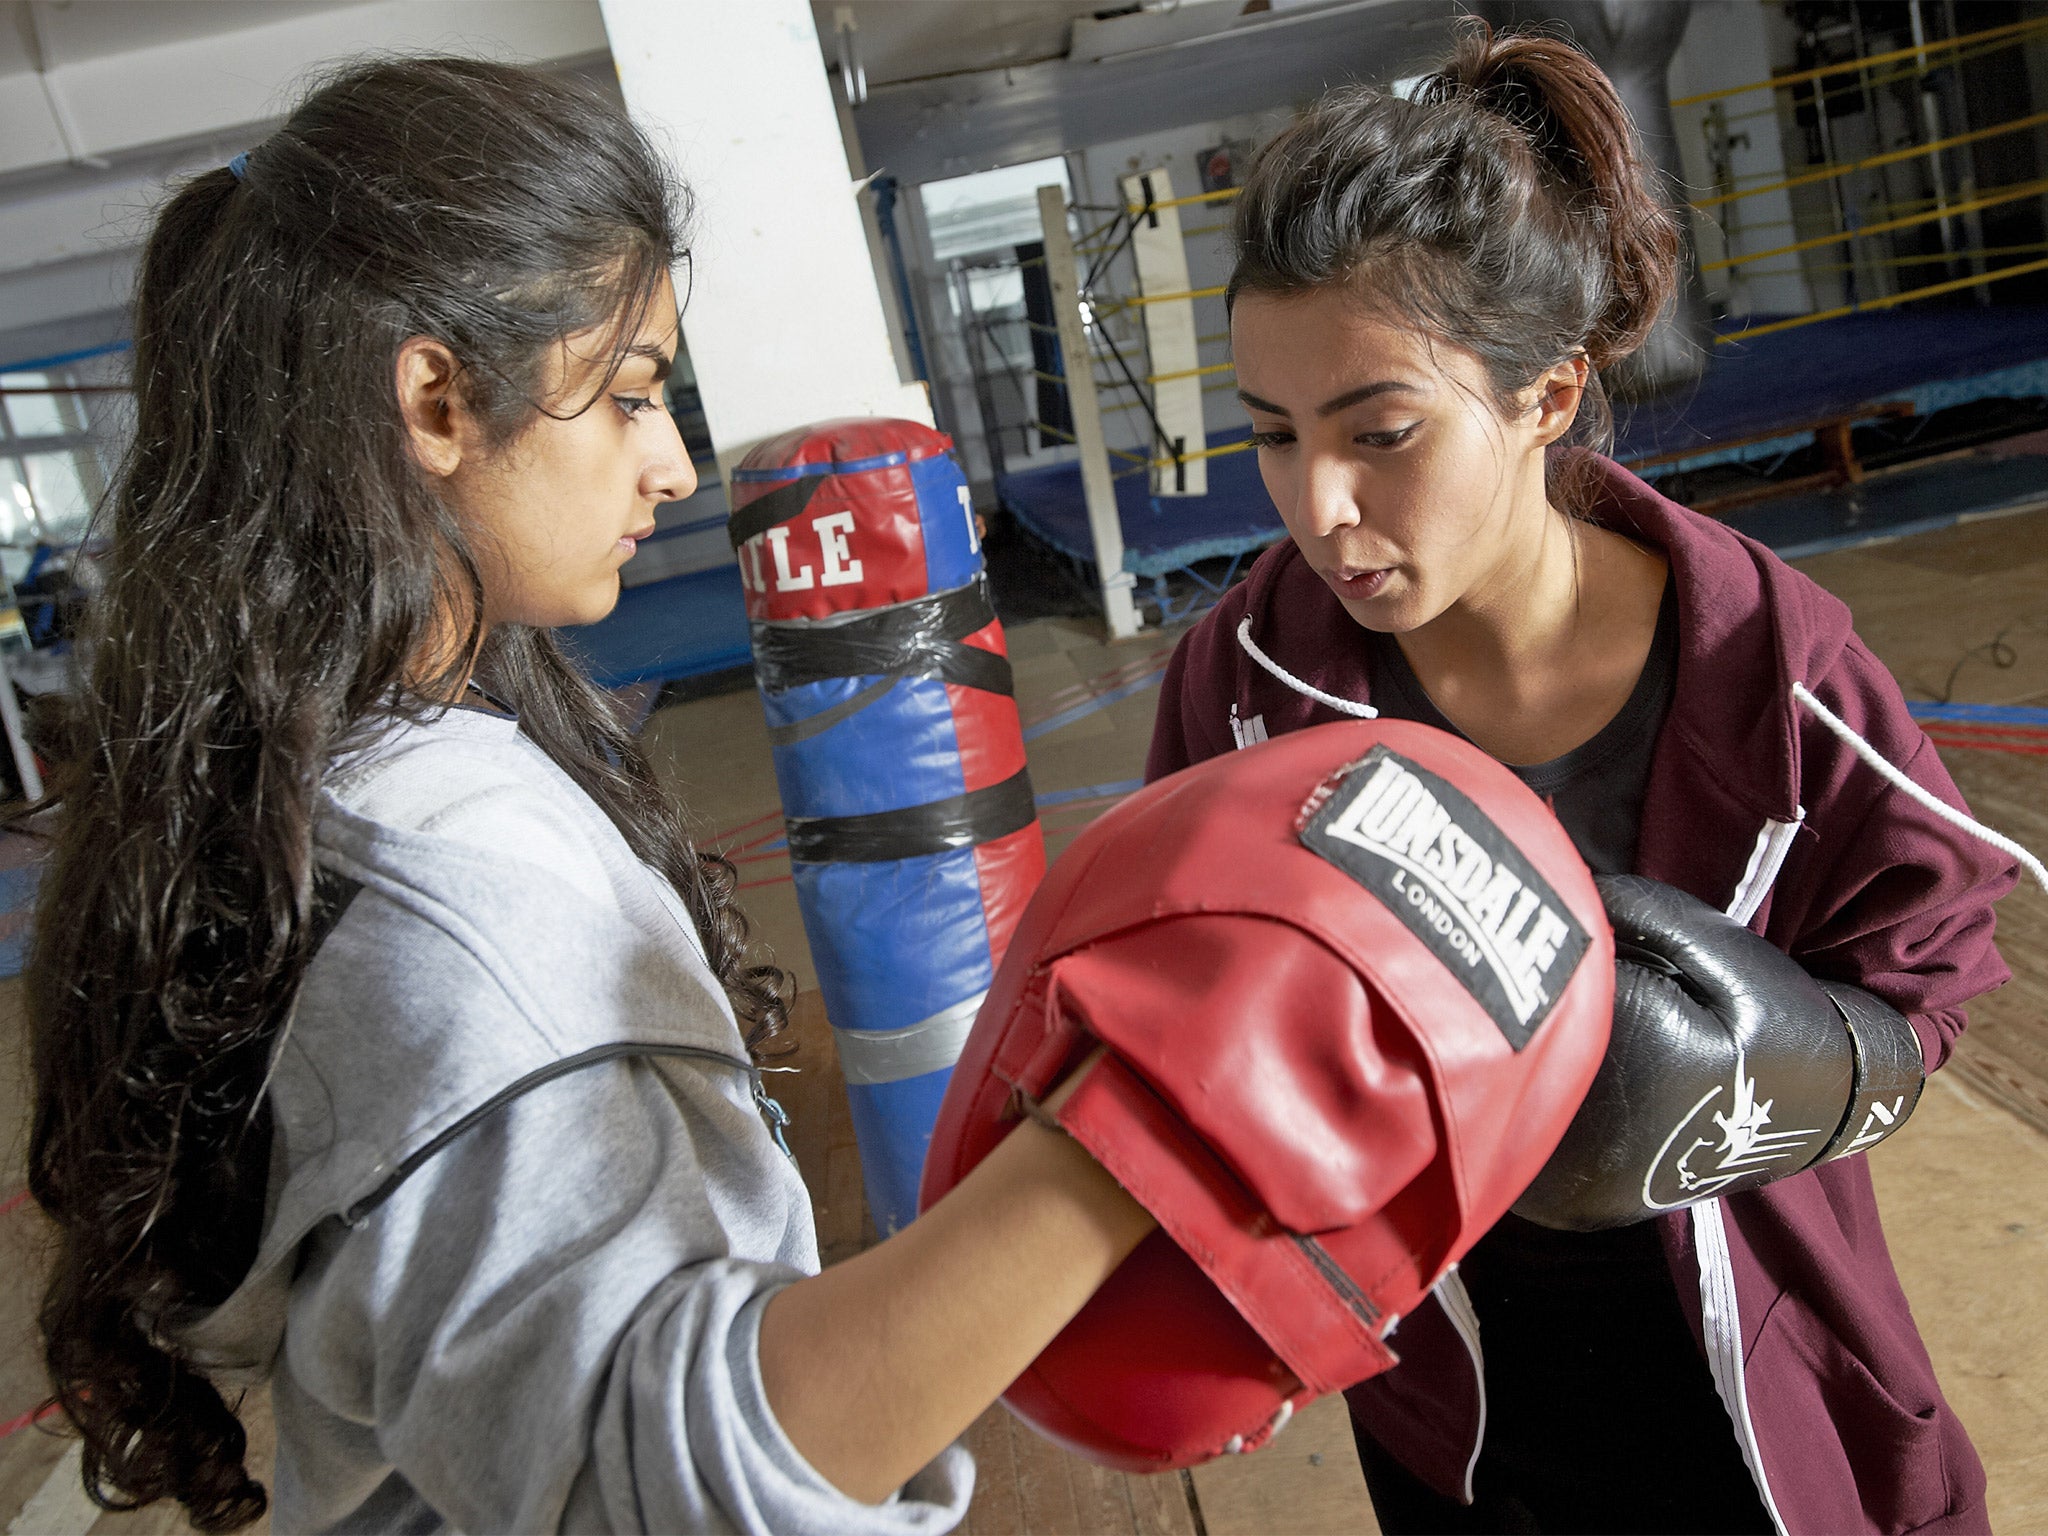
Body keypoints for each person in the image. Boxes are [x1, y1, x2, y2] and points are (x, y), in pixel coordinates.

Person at [24, 58, 1160, 1536]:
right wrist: (1129, 1148)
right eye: (626, 396)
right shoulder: (462, 904)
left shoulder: (331, 777)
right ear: (434, 398)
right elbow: (669, 1491)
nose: (677, 461)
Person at [1147, 24, 2018, 1536]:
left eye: (1384, 433)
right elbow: (1182, 1000)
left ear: (1546, 401)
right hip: (1450, 1407)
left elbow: (1930, 983)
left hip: (1762, 1390)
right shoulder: (1244, 690)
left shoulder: (1780, 678)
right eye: (1273, 438)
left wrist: (1773, 1080)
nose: (1321, 505)